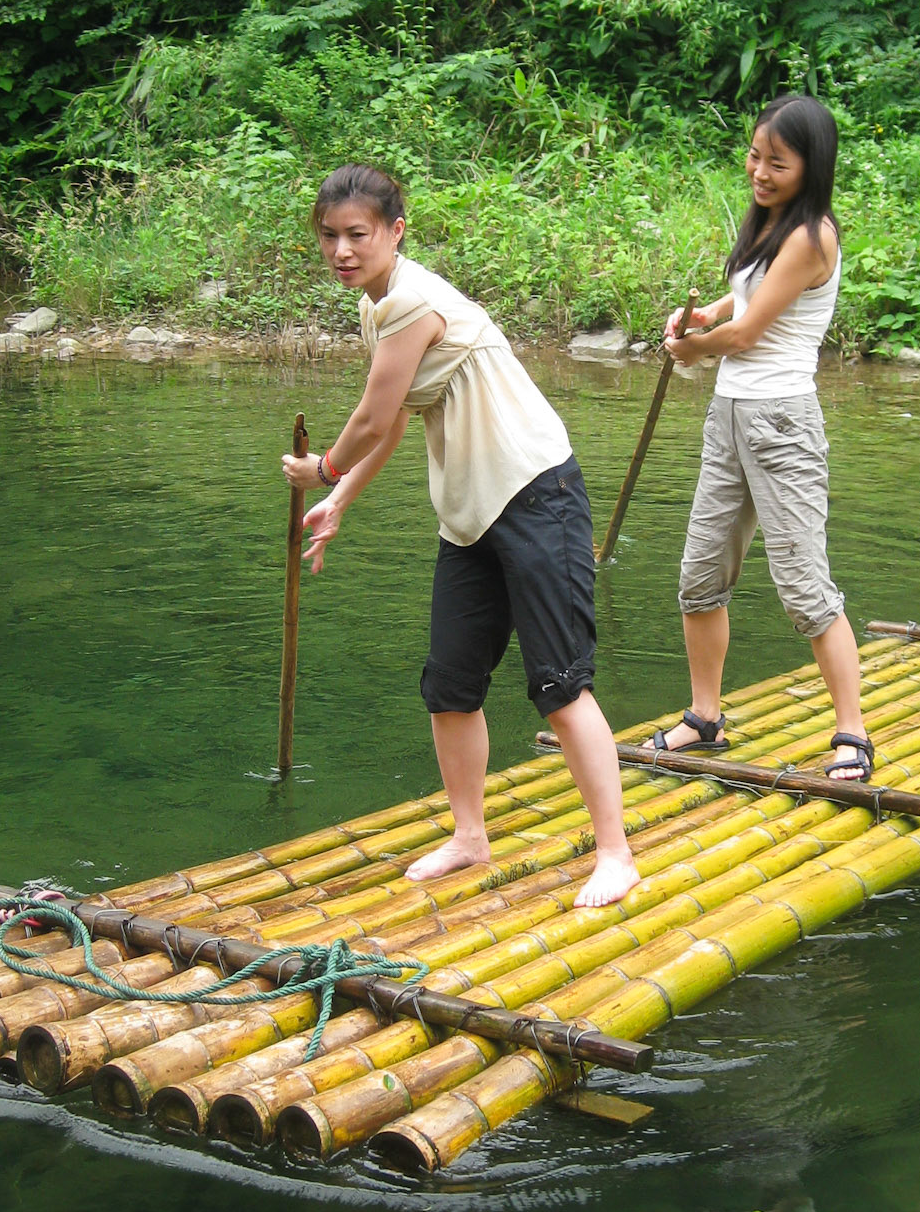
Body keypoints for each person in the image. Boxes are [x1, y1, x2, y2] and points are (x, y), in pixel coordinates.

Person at [282, 163, 639, 910]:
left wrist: (323, 468)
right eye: (329, 236)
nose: (342, 250)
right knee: (449, 684)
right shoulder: (379, 305)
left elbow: (370, 419)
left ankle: (616, 853)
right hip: (470, 513)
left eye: (357, 235)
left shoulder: (413, 301)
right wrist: (341, 498)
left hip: (536, 494)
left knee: (559, 685)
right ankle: (470, 836)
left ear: (395, 232)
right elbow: (398, 413)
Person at [659, 94, 872, 781]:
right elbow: (748, 300)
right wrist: (704, 315)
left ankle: (852, 734)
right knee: (699, 577)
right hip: (729, 417)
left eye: (777, 163)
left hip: (781, 421)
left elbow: (748, 335)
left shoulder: (812, 236)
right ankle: (705, 718)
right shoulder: (772, 224)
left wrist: (695, 348)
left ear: (812, 167)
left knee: (804, 586)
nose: (759, 172)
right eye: (755, 156)